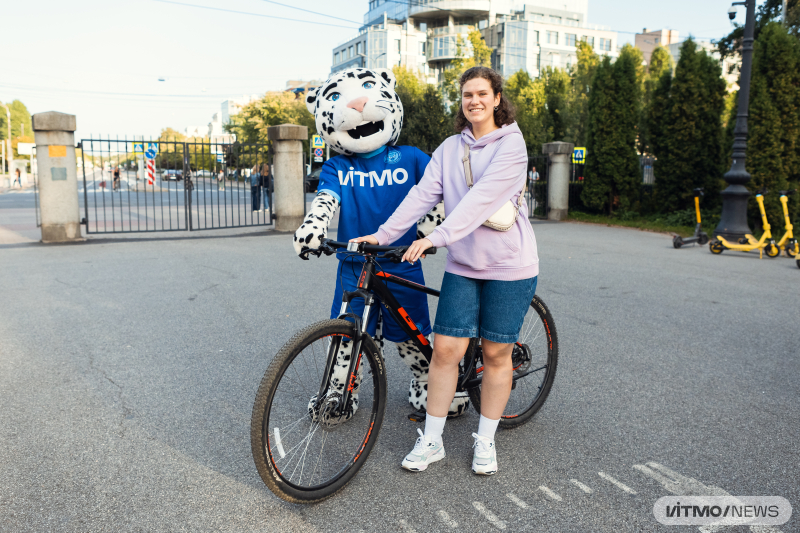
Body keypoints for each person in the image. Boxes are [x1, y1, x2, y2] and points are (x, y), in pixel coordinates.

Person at [351, 66, 538, 476]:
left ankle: (485, 442)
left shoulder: (513, 145)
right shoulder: (450, 148)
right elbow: (421, 195)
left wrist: (438, 236)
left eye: (482, 94)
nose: (474, 101)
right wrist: (383, 236)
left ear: (496, 98)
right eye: (467, 94)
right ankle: (432, 440)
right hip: (464, 264)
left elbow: (482, 201)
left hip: (509, 265)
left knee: (495, 352)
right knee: (446, 352)